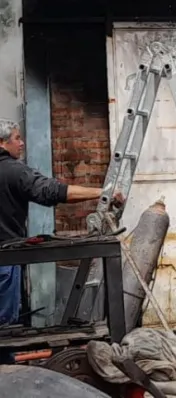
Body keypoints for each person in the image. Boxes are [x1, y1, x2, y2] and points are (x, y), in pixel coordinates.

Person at [0, 119, 122, 363]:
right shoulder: (13, 171)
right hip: (4, 260)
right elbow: (50, 191)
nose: (22, 143)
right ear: (2, 143)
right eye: (17, 138)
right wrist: (102, 193)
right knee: (3, 327)